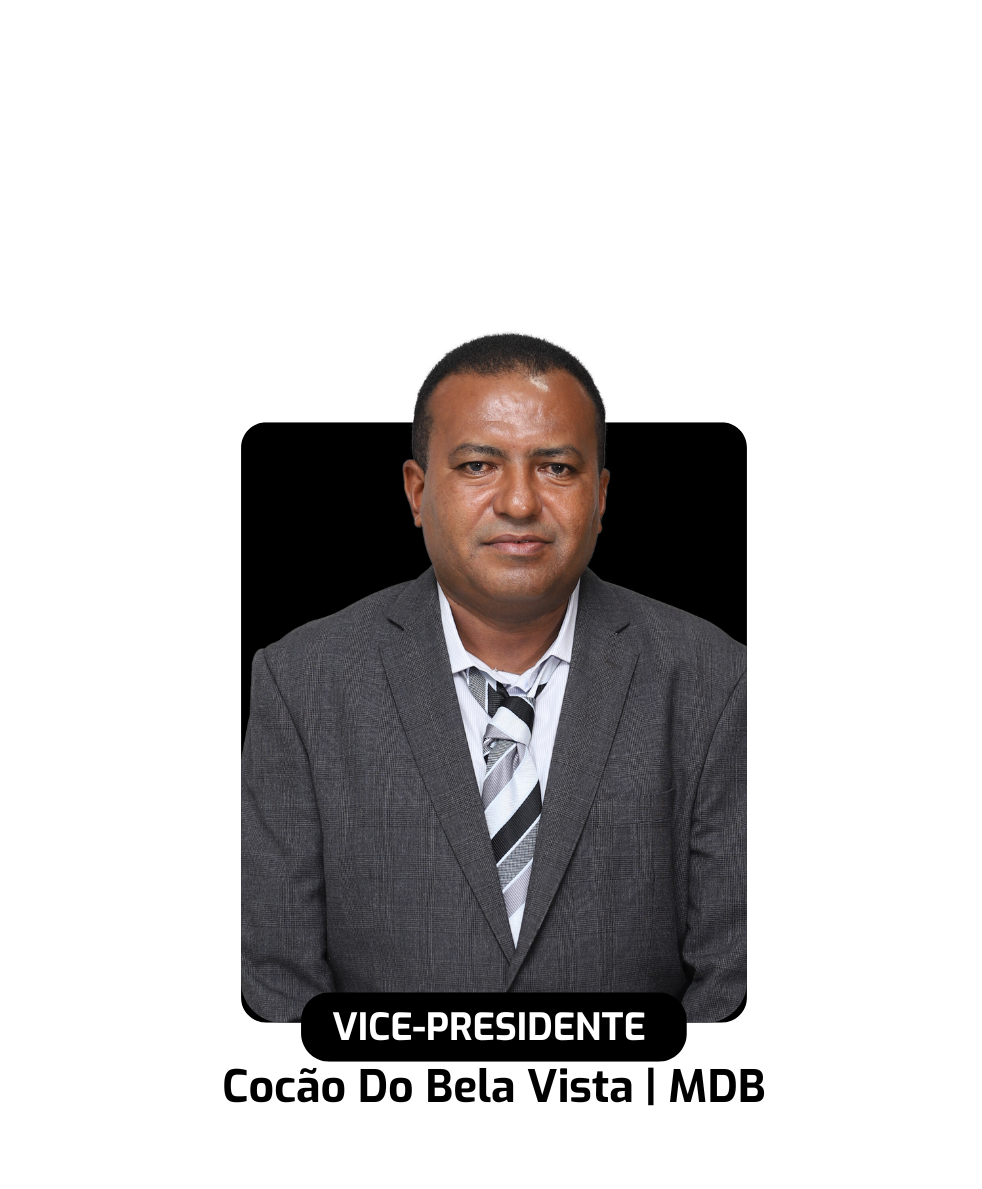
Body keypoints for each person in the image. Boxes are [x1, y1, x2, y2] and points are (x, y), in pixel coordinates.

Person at [240, 330, 745, 1021]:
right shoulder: (302, 681)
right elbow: (272, 976)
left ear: (600, 495)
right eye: (479, 465)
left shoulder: (714, 678)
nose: (519, 503)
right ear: (418, 491)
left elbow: (731, 971)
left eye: (556, 468)